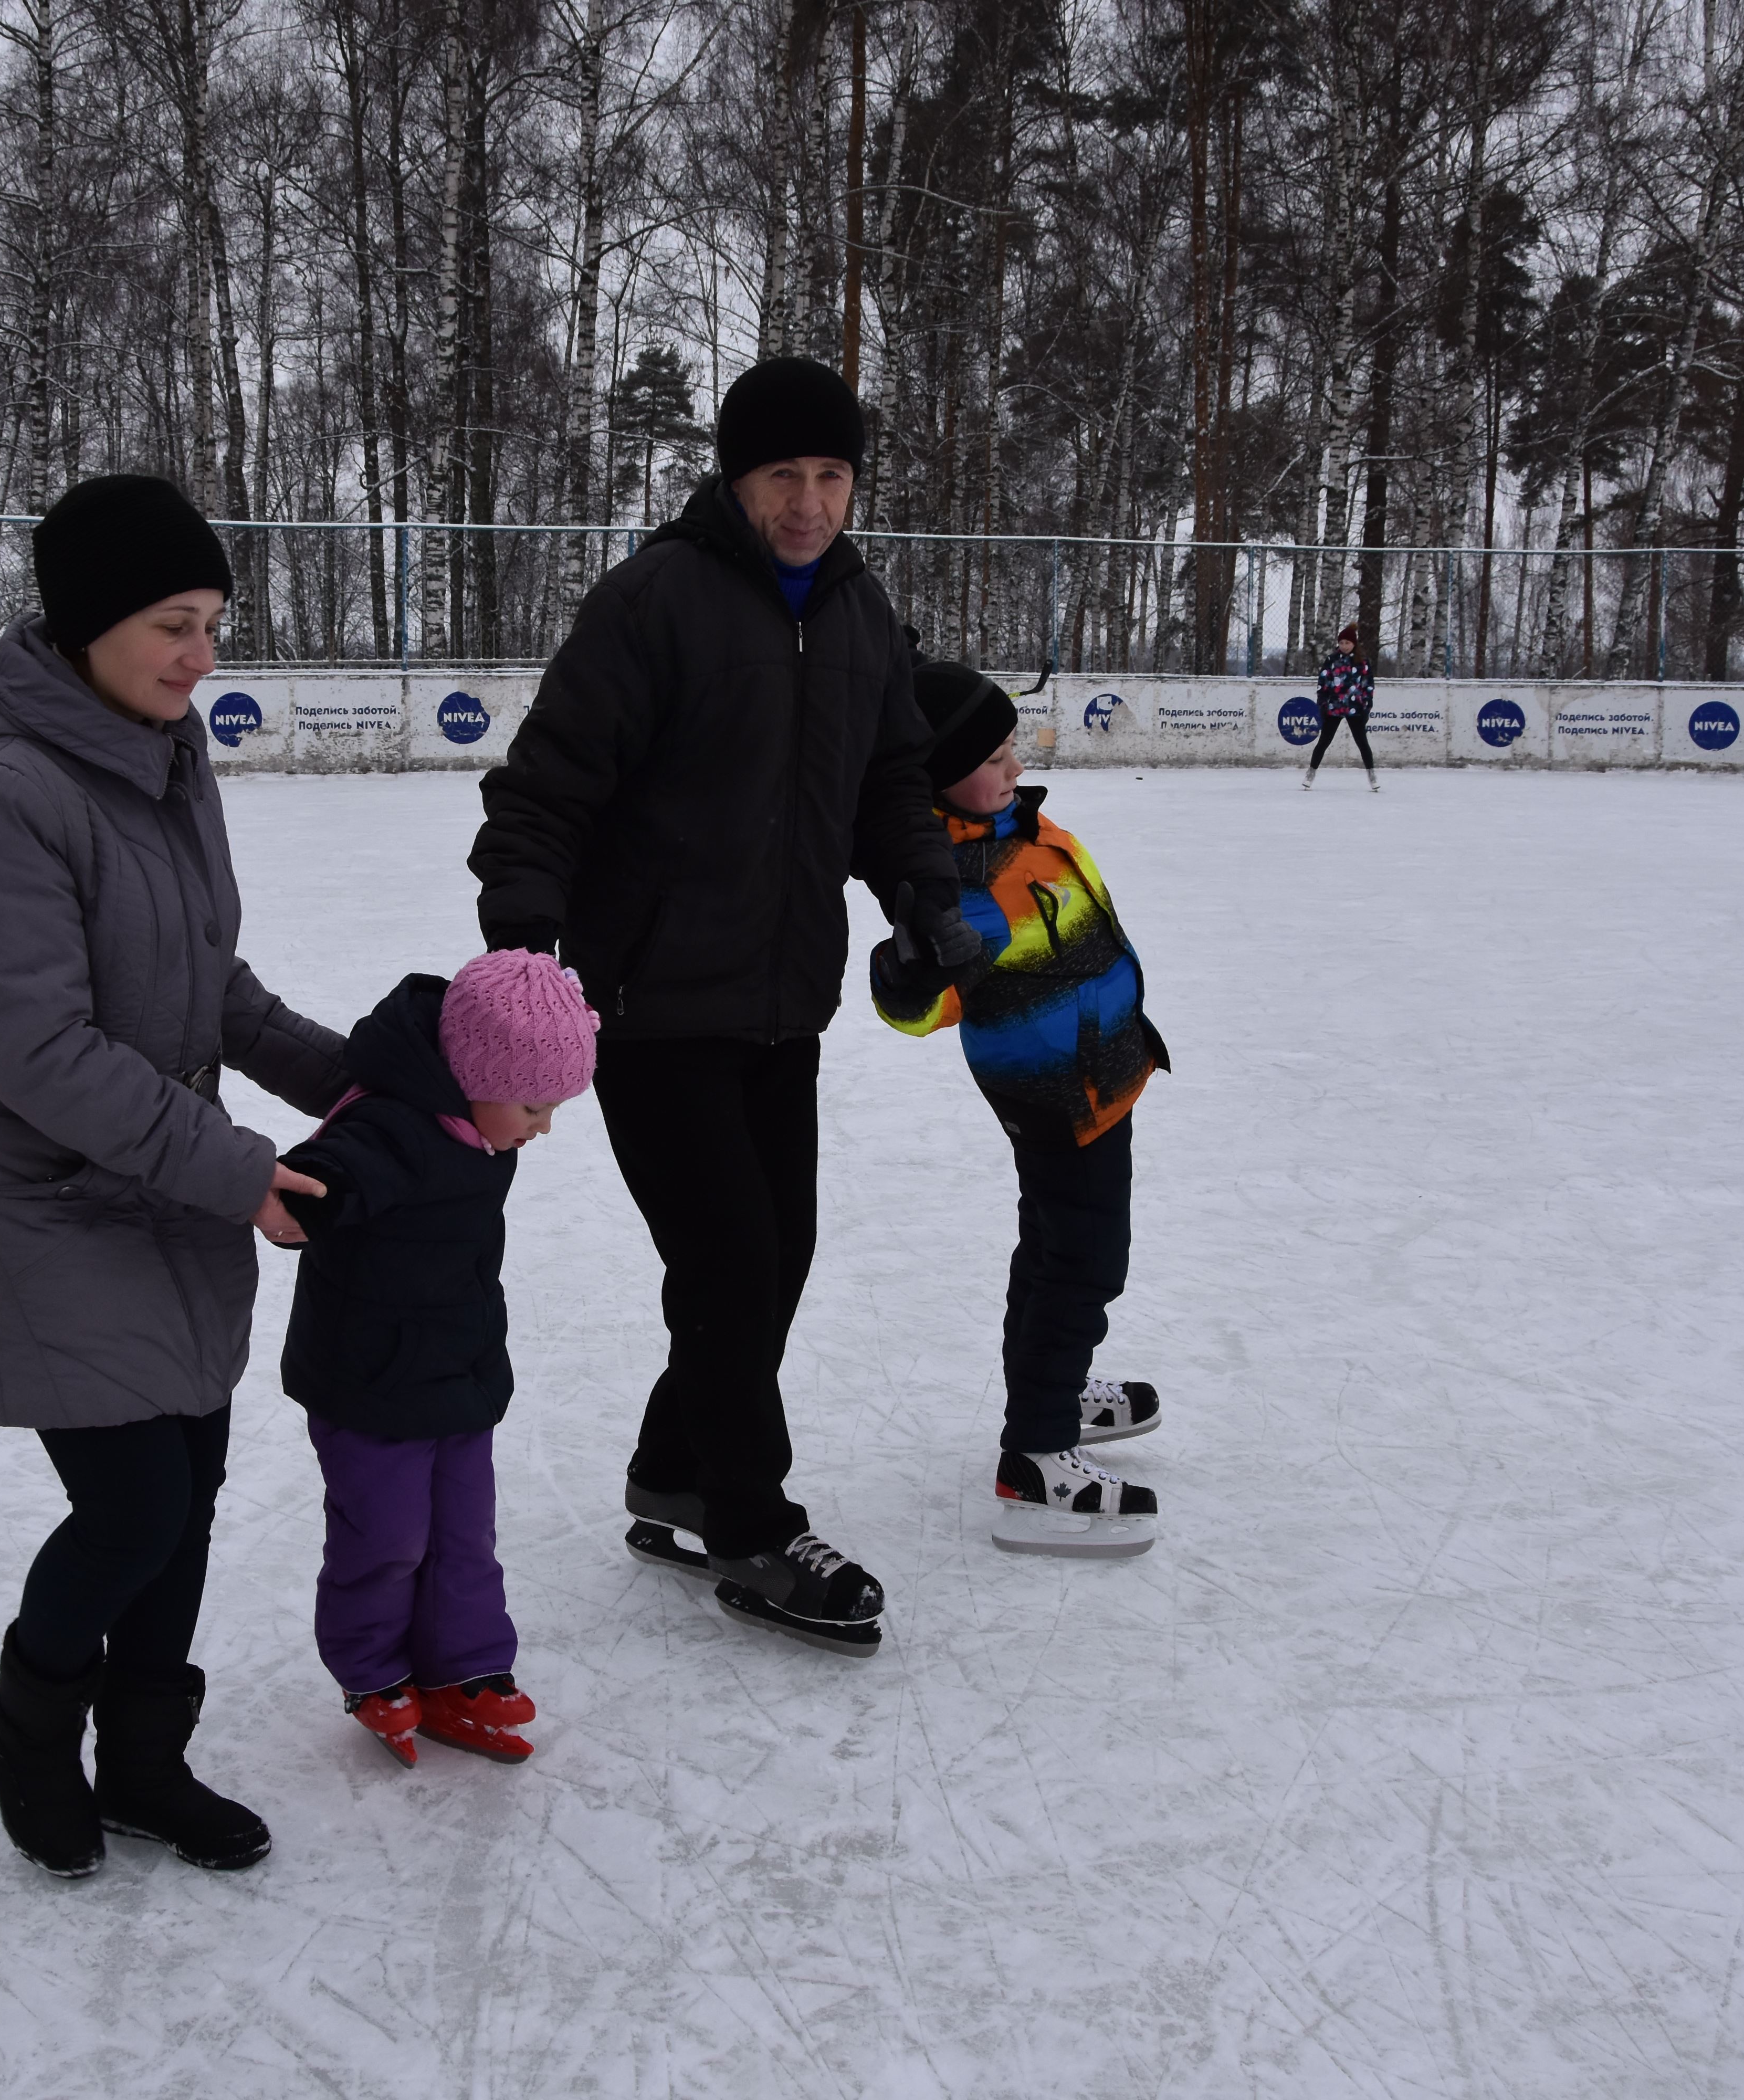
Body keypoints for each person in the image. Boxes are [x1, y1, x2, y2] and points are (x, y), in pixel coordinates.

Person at [468, 354, 977, 1661]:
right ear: (733, 478)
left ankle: (672, 1468)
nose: (806, 504)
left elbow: (890, 779)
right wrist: (525, 933)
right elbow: (549, 783)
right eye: (778, 477)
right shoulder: (655, 602)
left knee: (773, 1259)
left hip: (779, 1003)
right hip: (650, 1002)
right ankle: (750, 1523)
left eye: (829, 475)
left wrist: (921, 888)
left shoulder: (862, 614)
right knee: (732, 1262)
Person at [0, 473, 349, 1880]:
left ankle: (146, 1762)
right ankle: (27, 1726)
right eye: (174, 623)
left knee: (194, 1482)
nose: (201, 656)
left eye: (214, 622)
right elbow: (39, 1049)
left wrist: (353, 1081)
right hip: (37, 1201)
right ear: (91, 624)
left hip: (158, 1181)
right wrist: (238, 1169)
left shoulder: (168, 759)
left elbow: (203, 985)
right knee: (135, 1504)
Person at [272, 948, 600, 1769]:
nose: (543, 1127)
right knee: (384, 1537)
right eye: (533, 1105)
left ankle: (464, 1669)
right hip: (370, 1382)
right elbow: (341, 1167)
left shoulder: (481, 1130)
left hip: (457, 1374)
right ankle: (373, 1670)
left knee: (463, 1535)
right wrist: (314, 1190)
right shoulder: (395, 1126)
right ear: (476, 1078)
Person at [871, 663, 1169, 1557]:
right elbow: (913, 1010)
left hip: (1103, 1083)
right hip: (1056, 1102)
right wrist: (913, 968)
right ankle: (1037, 1451)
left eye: (1013, 748)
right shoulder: (953, 882)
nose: (1014, 765)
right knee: (1084, 1264)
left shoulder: (1028, 828)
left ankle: (1052, 1384)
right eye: (991, 757)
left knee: (1051, 1250)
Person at [1305, 621, 1378, 791]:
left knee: (1362, 743)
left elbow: (1369, 686)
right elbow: (1323, 683)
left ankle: (1372, 774)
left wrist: (1367, 706)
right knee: (1324, 741)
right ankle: (1311, 772)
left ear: (1354, 644)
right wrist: (1323, 703)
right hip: (1334, 707)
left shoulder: (1363, 662)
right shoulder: (1332, 660)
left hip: (1356, 708)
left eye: (1348, 643)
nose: (1344, 646)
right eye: (1342, 643)